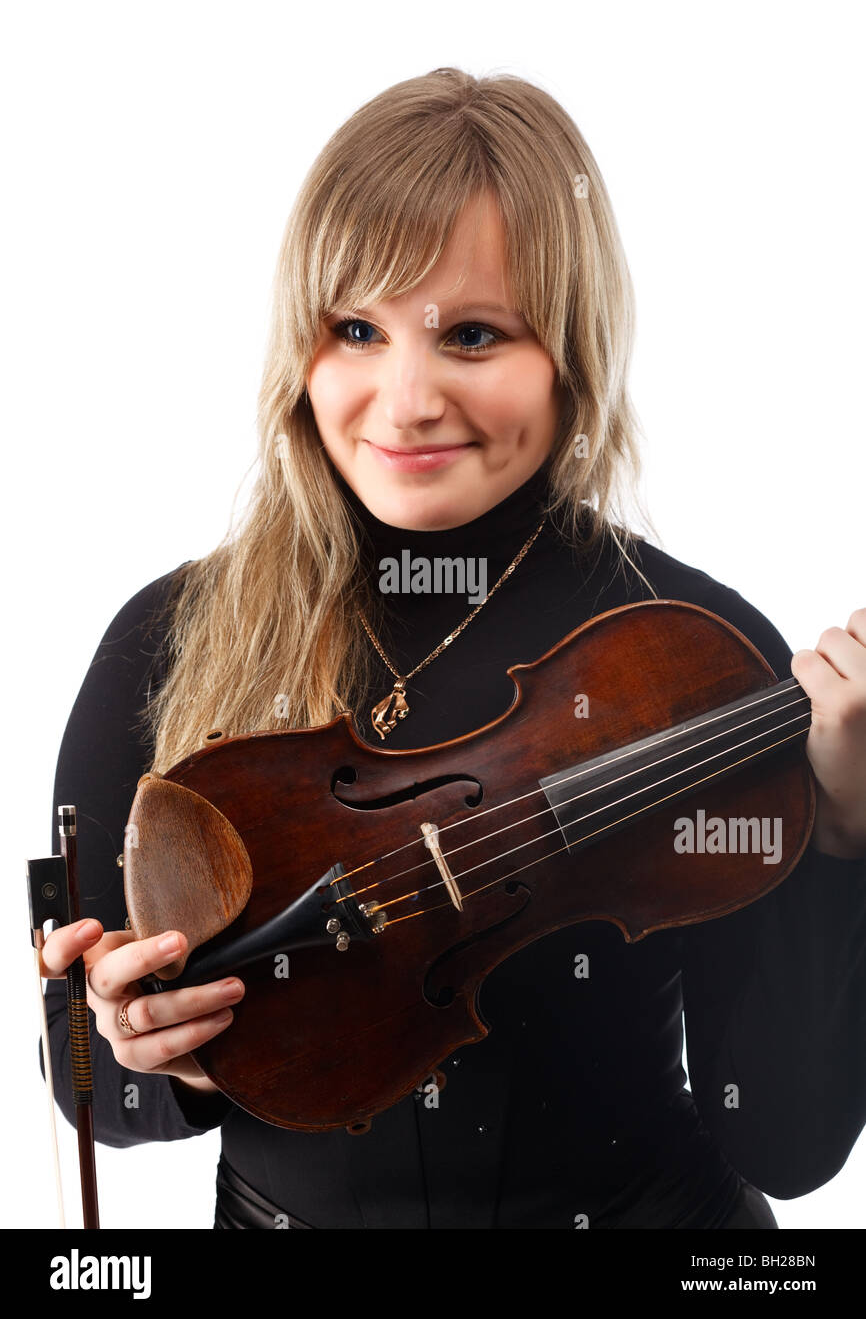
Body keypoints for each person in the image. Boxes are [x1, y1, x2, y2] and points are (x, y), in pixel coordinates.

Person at [39, 67, 866, 1229]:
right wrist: (141, 1053)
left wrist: (834, 831)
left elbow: (784, 1140)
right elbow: (85, 1091)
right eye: (357, 330)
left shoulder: (691, 654)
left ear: (566, 352)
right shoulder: (164, 642)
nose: (404, 396)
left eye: (472, 334)